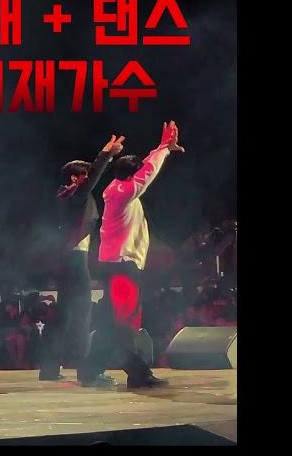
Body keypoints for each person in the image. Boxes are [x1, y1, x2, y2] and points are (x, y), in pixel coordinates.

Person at [91, 121, 185, 388]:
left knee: (112, 323)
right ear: (131, 175)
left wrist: (161, 148)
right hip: (122, 265)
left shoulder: (118, 190)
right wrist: (163, 148)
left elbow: (144, 169)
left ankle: (90, 370)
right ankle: (138, 374)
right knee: (126, 324)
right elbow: (147, 173)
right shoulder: (122, 193)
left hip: (116, 264)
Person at [39, 135, 125, 386]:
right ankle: (87, 373)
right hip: (76, 261)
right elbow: (94, 176)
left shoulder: (67, 195)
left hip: (69, 260)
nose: (90, 179)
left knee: (63, 316)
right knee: (81, 316)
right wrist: (106, 154)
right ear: (75, 178)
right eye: (86, 175)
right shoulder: (75, 194)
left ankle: (49, 368)